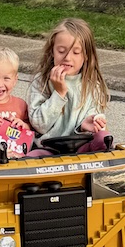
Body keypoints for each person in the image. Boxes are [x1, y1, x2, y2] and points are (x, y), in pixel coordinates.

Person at [26, 17, 112, 156]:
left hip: (81, 147)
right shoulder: (41, 81)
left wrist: (86, 125)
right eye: (61, 51)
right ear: (52, 52)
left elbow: (93, 124)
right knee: (30, 160)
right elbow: (39, 125)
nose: (67, 57)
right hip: (48, 148)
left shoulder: (92, 86)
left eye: (76, 52)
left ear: (86, 56)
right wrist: (59, 93)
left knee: (104, 138)